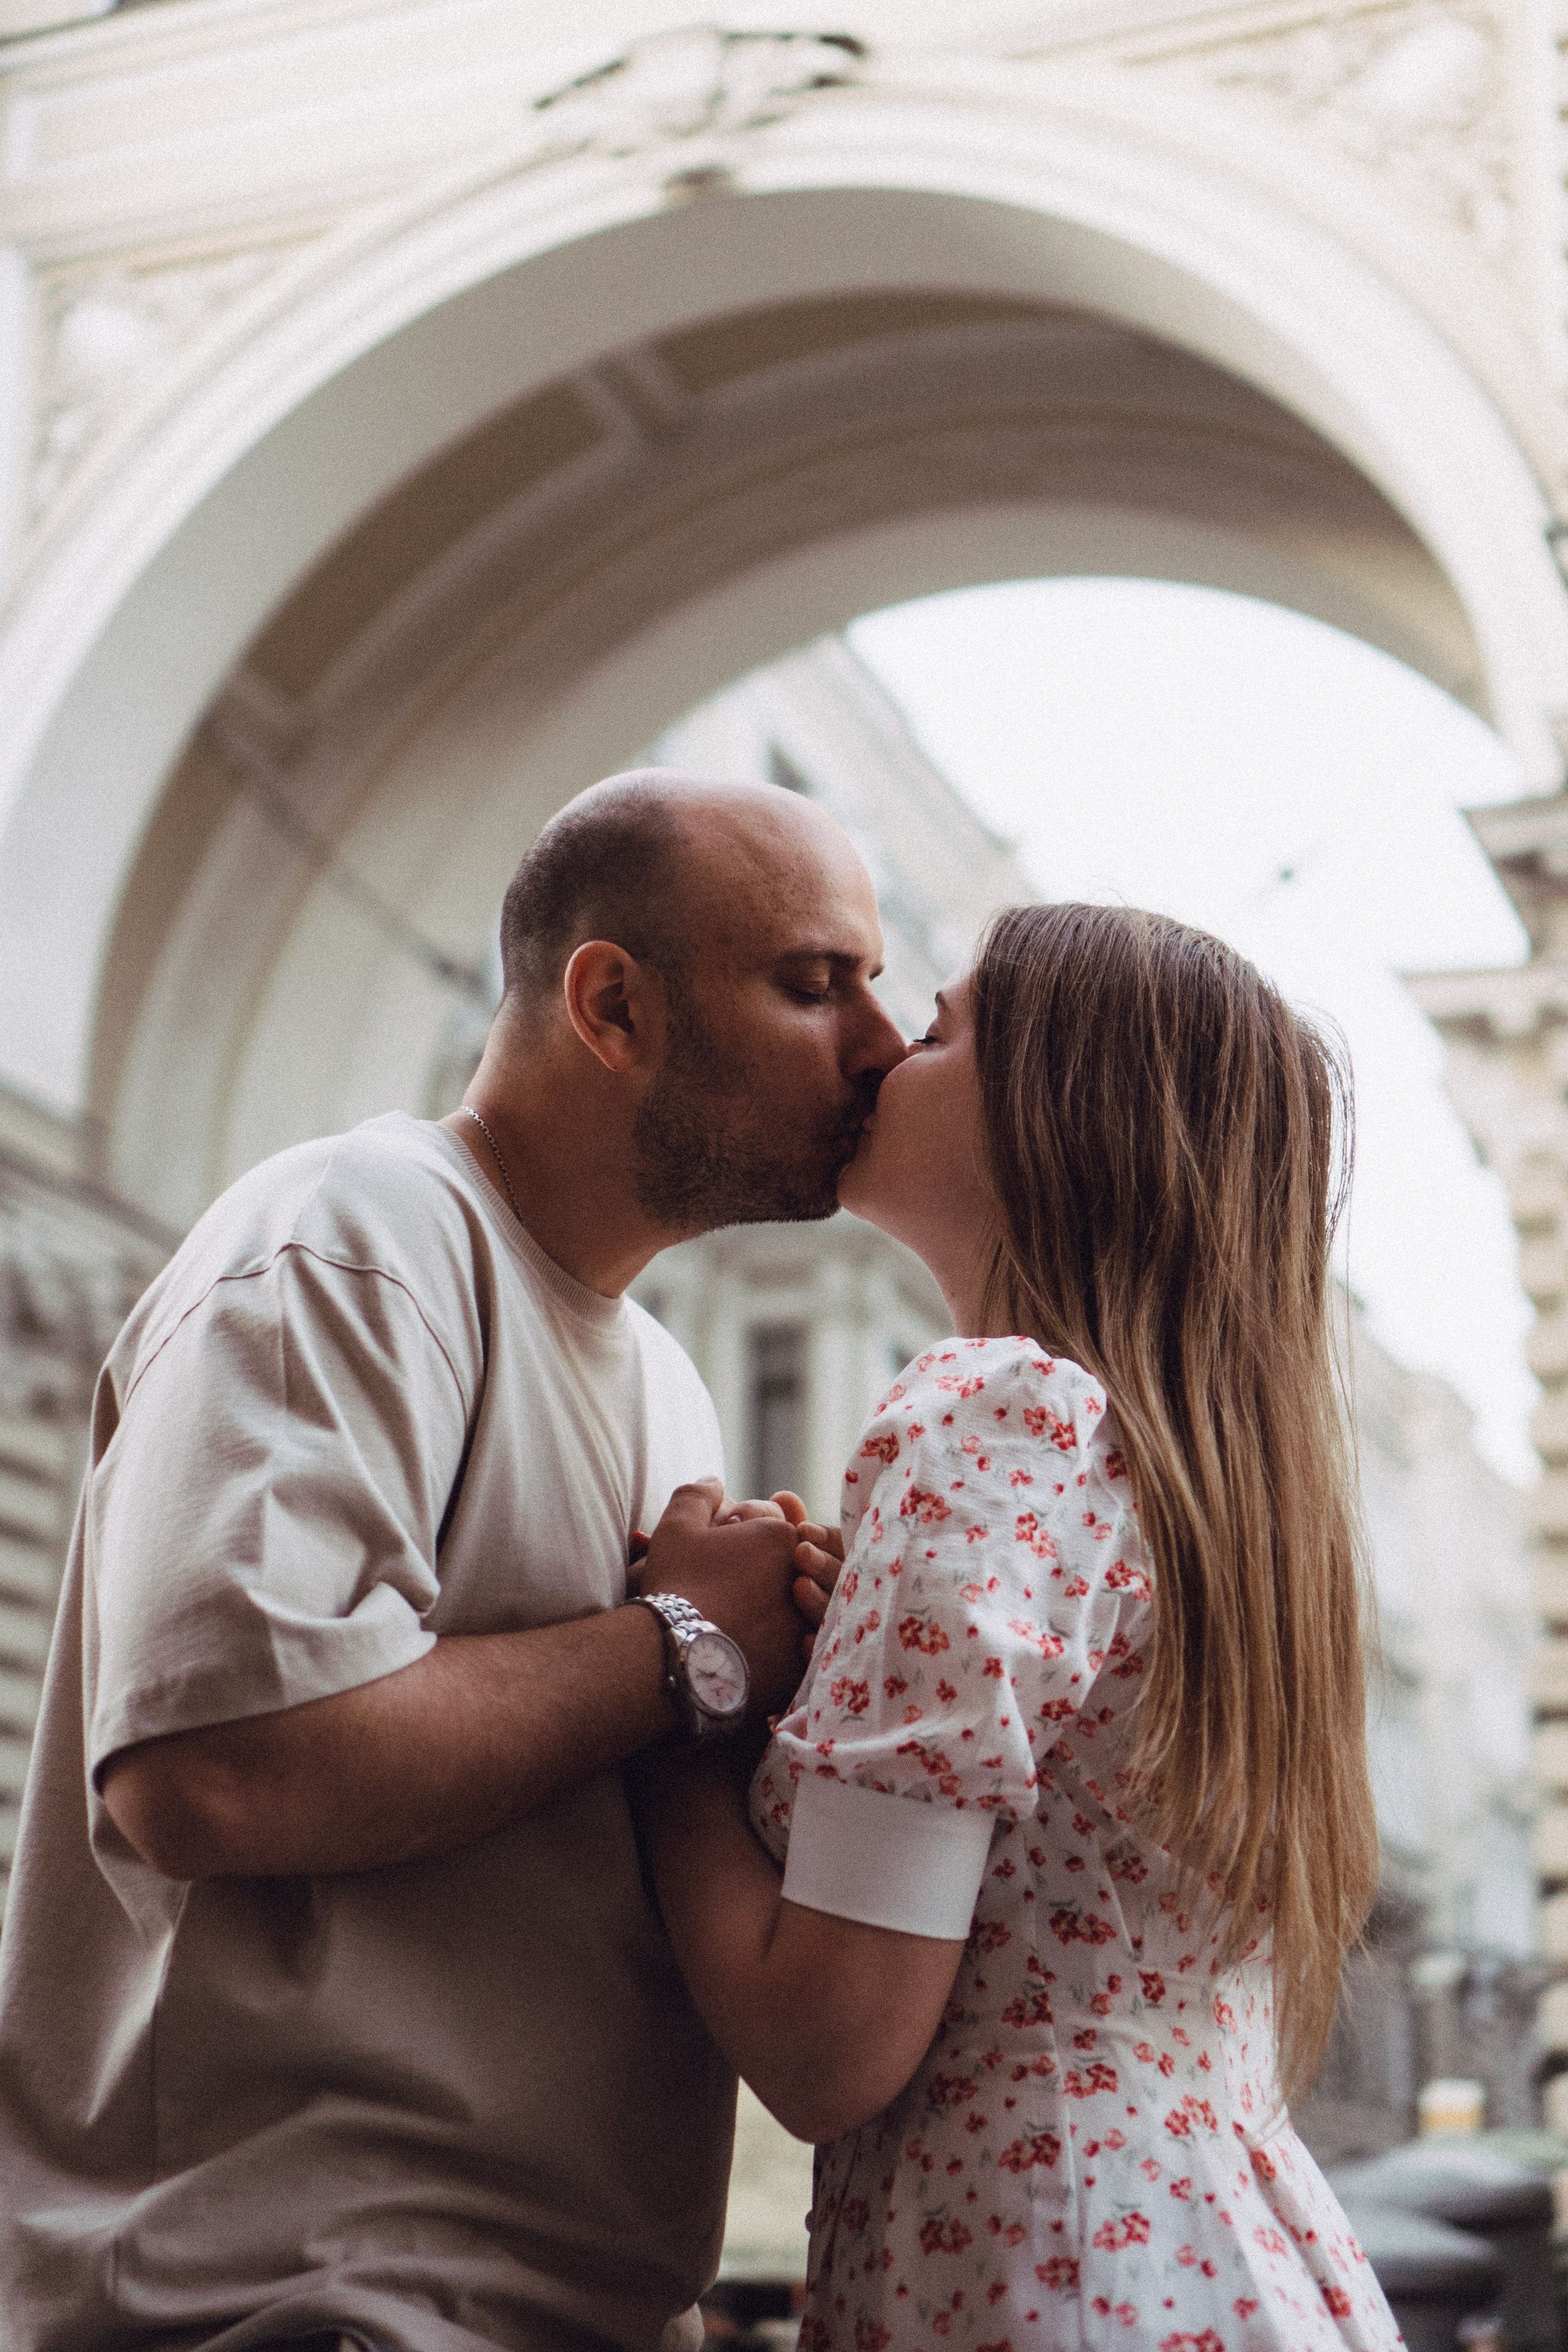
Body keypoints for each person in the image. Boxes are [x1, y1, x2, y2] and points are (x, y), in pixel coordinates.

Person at [0, 771, 907, 2352]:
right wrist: (687, 1643)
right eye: (813, 984)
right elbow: (209, 1770)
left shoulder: (662, 1379)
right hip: (306, 2301)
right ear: (613, 1005)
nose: (880, 1045)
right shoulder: (356, 1236)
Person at [635, 902, 1401, 2351]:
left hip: (1047, 2268)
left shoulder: (993, 1414)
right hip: (1222, 2259)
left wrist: (682, 1673)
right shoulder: (1194, 1491)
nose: (875, 1049)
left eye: (933, 1031)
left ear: (1062, 1117)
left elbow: (827, 2043)